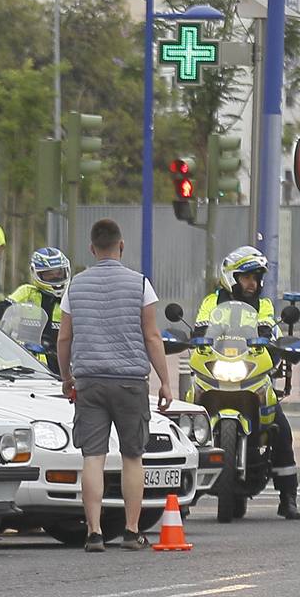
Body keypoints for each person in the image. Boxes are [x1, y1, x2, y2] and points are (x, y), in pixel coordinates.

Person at [55, 219, 176, 552]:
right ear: (121, 246)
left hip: (90, 381)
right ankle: (131, 529)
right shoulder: (140, 284)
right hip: (130, 382)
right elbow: (152, 336)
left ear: (92, 249)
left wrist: (67, 378)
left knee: (92, 457)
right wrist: (165, 382)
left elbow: (64, 338)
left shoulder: (75, 286)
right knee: (132, 456)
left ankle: (94, 532)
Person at [192, 246, 300, 520]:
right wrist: (196, 335)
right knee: (185, 422)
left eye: (256, 277)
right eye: (246, 277)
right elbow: (202, 328)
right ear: (232, 277)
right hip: (216, 373)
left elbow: (269, 329)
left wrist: (271, 337)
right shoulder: (211, 302)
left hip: (251, 375)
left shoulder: (264, 305)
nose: (252, 283)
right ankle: (180, 497)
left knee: (281, 429)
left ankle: (288, 496)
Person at [0, 247, 69, 370]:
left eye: (58, 273)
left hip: (63, 361)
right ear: (35, 273)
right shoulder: (27, 292)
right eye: (48, 274)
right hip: (28, 359)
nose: (55, 278)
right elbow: (4, 306)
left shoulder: (70, 296)